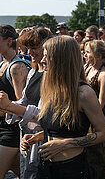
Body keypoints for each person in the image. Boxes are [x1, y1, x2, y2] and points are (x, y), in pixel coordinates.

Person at [0, 36, 105, 179]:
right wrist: (37, 137)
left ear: (62, 59)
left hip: (72, 169)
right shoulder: (50, 88)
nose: (42, 60)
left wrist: (65, 144)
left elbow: (103, 133)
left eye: (47, 57)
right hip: (45, 167)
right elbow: (57, 127)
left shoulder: (83, 92)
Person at [8, 27, 52, 179]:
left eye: (34, 48)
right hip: (29, 138)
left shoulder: (52, 77)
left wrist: (9, 107)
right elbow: (25, 100)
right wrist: (7, 108)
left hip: (44, 142)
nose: (29, 53)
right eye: (27, 49)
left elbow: (44, 114)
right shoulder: (33, 71)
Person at [0, 25, 30, 178]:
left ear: (9, 41)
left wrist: (3, 108)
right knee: (23, 172)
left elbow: (22, 104)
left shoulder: (17, 67)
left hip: (10, 130)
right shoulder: (3, 64)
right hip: (2, 127)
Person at [83, 40, 105, 179]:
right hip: (84, 116)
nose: (85, 54)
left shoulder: (104, 75)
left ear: (98, 55)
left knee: (98, 156)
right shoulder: (87, 68)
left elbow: (101, 103)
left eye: (88, 52)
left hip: (97, 119)